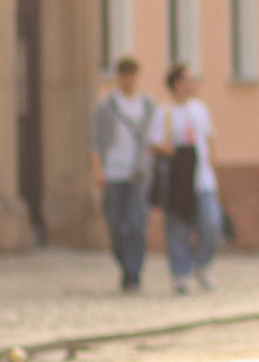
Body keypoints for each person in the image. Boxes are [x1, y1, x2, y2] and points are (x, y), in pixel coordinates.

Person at [89, 55, 159, 292]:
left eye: (132, 74)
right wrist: (98, 170)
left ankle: (133, 274)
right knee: (116, 226)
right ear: (118, 77)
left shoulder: (148, 106)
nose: (128, 79)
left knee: (136, 224)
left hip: (138, 174)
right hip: (112, 173)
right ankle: (125, 264)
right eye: (124, 74)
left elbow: (155, 139)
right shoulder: (106, 106)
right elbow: (95, 141)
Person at [152, 62, 220, 295]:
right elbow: (154, 144)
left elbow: (210, 140)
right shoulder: (164, 111)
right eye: (189, 79)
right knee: (177, 227)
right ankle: (180, 273)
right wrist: (173, 151)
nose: (193, 84)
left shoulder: (200, 109)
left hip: (203, 179)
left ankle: (202, 265)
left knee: (211, 224)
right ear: (179, 84)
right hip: (178, 180)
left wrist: (212, 166)